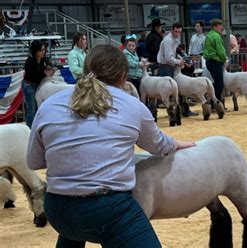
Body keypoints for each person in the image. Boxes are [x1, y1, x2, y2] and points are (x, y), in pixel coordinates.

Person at [27, 44, 195, 248]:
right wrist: (178, 144)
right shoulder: (132, 105)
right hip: (107, 211)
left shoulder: (49, 105)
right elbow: (158, 146)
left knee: (74, 229)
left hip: (57, 211)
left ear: (86, 69)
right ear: (123, 76)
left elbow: (34, 161)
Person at [158, 22, 198, 117]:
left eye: (179, 32)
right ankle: (172, 114)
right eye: (176, 31)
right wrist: (179, 62)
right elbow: (168, 57)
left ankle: (182, 111)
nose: (177, 34)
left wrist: (183, 59)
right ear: (172, 29)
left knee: (178, 90)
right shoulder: (168, 40)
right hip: (166, 67)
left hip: (172, 67)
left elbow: (176, 52)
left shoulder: (176, 39)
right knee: (166, 93)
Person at [22, 40, 49, 127]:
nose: (43, 52)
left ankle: (36, 126)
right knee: (31, 109)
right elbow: (33, 76)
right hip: (29, 85)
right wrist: (44, 74)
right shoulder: (29, 61)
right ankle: (29, 129)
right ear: (36, 51)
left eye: (44, 50)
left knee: (37, 107)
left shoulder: (42, 60)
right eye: (41, 50)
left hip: (36, 85)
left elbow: (47, 66)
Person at [203, 19, 227, 103]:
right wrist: (224, 59)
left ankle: (214, 101)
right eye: (220, 26)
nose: (222, 27)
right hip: (215, 62)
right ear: (215, 26)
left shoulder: (209, 35)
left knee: (215, 82)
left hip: (209, 61)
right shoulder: (216, 36)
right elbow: (221, 51)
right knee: (219, 84)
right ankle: (216, 102)